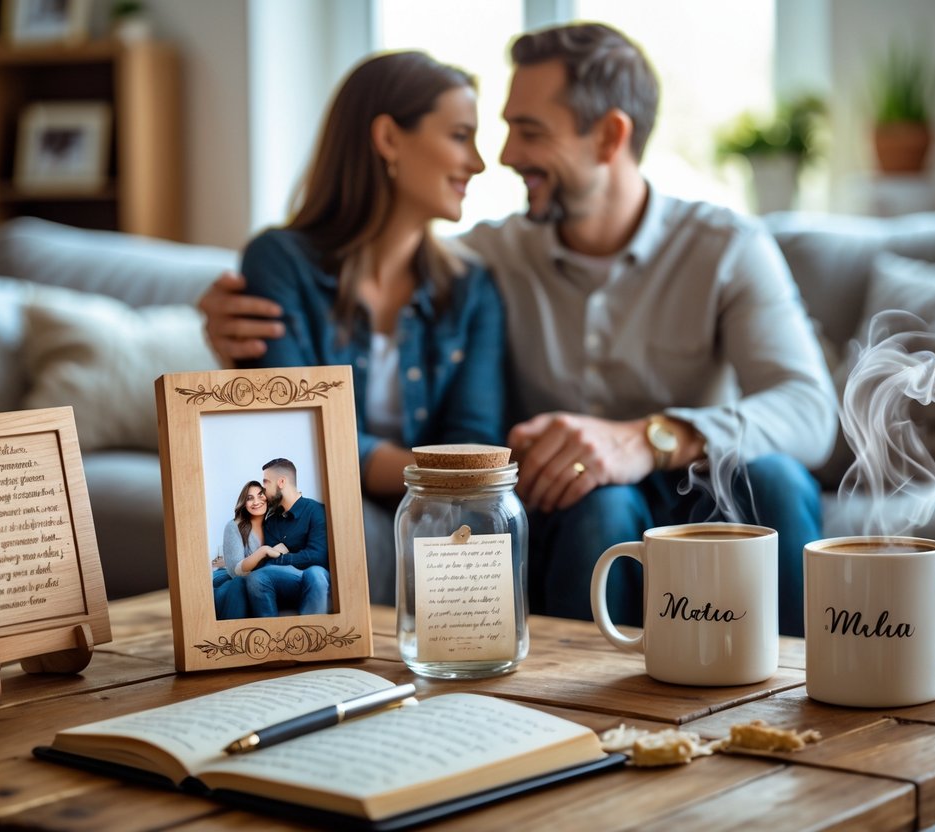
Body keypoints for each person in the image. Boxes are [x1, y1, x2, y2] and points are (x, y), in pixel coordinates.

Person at [201, 24, 836, 636]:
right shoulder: (487, 258)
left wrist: (648, 438)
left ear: (610, 136)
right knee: (601, 505)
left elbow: (810, 411)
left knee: (776, 479)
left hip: (698, 490)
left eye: (527, 132)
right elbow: (374, 258)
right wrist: (218, 315)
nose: (500, 158)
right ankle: (577, 715)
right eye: (495, 131)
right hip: (576, 504)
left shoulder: (726, 247)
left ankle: (799, 697)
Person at [234, 50, 505, 599]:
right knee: (333, 526)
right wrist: (433, 475)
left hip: (439, 510)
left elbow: (474, 440)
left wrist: (433, 480)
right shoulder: (278, 261)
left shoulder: (472, 286)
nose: (477, 162)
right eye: (459, 135)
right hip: (333, 500)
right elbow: (296, 432)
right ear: (388, 139)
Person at [242, 458, 331, 617]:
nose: (263, 490)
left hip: (314, 576)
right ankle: (270, 636)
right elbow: (269, 561)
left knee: (315, 573)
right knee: (257, 577)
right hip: (287, 580)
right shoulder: (271, 521)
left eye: (266, 483)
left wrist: (283, 556)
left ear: (281, 482)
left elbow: (318, 556)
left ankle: (312, 635)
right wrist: (278, 555)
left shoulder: (316, 510)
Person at [216, 480, 287, 619]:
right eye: (250, 498)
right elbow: (235, 572)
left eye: (260, 495)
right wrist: (263, 551)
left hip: (262, 585)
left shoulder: (273, 525)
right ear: (244, 503)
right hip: (235, 582)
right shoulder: (234, 526)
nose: (256, 501)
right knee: (240, 584)